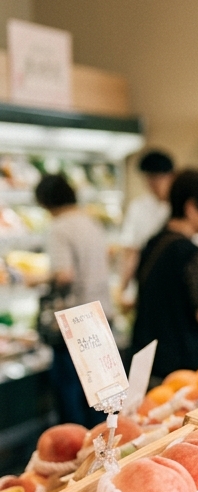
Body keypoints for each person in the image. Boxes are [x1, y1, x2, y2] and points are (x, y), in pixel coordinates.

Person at [131, 171, 198, 378]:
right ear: (192, 208)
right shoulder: (192, 255)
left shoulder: (152, 243)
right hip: (184, 370)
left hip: (149, 365)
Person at [39, 175, 110, 426]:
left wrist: (35, 279)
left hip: (75, 321)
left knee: (71, 397)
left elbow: (64, 274)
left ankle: (78, 454)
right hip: (100, 315)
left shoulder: (59, 227)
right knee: (101, 396)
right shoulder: (91, 222)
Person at [118, 150, 174, 302]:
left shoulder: (181, 207)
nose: (153, 184)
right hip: (146, 281)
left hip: (175, 280)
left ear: (171, 176)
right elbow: (131, 250)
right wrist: (124, 289)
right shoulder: (139, 207)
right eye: (149, 178)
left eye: (157, 178)